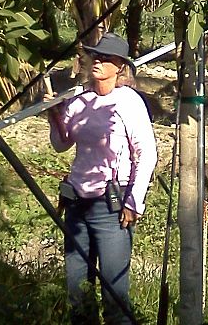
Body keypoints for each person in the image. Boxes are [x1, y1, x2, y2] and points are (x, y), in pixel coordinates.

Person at [47, 32, 157, 325]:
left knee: (114, 291)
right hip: (76, 203)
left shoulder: (128, 103)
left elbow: (146, 154)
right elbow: (62, 143)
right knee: (77, 289)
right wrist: (54, 114)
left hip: (111, 206)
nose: (97, 61)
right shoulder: (80, 99)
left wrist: (134, 202)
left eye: (106, 58)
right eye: (95, 55)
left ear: (120, 66)